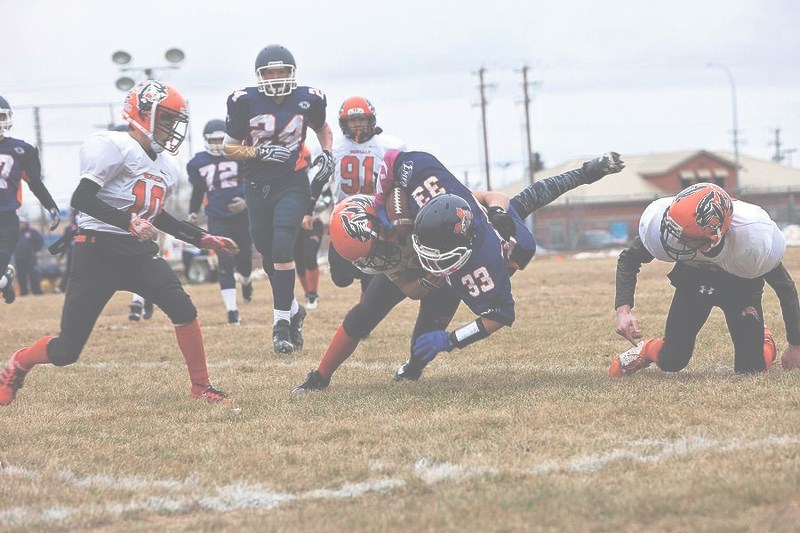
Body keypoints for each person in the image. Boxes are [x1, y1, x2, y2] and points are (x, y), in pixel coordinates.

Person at [292, 151, 624, 391]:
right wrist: (384, 202)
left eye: (374, 252)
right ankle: (320, 375)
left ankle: (412, 368)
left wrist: (452, 339)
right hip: (426, 258)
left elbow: (500, 314)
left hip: (457, 260)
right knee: (364, 313)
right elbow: (394, 161)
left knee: (422, 344)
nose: (373, 261)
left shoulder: (479, 260)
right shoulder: (410, 201)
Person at [0, 80, 239, 406]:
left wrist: (202, 237)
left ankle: (201, 387)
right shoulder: (113, 145)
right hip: (96, 249)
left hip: (137, 251)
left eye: (173, 120)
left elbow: (158, 215)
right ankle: (19, 362)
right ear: (141, 114)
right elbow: (81, 198)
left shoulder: (166, 166)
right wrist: (128, 221)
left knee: (183, 308)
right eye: (166, 118)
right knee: (67, 350)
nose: (171, 128)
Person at [609, 182, 800, 376]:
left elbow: (785, 287)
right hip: (695, 281)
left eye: (688, 239)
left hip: (740, 286)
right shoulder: (677, 224)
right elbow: (629, 258)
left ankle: (764, 341)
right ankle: (647, 349)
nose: (678, 242)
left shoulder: (753, 239)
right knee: (672, 360)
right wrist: (623, 310)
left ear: (716, 235)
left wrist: (796, 345)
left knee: (751, 370)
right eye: (677, 234)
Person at [223, 43, 333, 354]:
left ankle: (280, 325)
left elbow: (323, 128)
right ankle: (294, 310)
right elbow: (228, 147)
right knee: (269, 255)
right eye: (269, 72)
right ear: (259, 75)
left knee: (284, 245)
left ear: (292, 73)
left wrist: (327, 154)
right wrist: (257, 151)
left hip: (292, 181)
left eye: (281, 72)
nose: (275, 77)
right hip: (256, 184)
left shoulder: (309, 98)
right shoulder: (243, 101)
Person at [322, 96, 406, 301]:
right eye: (353, 120)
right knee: (341, 278)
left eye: (362, 119)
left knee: (372, 273)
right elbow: (320, 180)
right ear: (344, 123)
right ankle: (360, 272)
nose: (358, 125)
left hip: (375, 215)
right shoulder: (334, 147)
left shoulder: (389, 146)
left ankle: (364, 301)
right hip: (343, 216)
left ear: (372, 120)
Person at [187, 119, 254, 325]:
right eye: (213, 139)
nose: (217, 143)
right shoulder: (198, 162)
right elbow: (198, 190)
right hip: (217, 217)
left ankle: (246, 280)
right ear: (206, 140)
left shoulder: (241, 155)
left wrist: (246, 202)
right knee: (225, 262)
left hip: (242, 216)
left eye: (220, 139)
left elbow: (254, 182)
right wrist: (193, 211)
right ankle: (232, 310)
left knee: (244, 262)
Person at [0, 94, 61, 304]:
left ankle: (3, 277)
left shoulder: (22, 150)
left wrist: (51, 207)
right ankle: (4, 279)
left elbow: (34, 182)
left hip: (6, 218)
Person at [295, 184, 330, 309]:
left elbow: (327, 195)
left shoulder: (316, 172)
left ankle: (312, 295)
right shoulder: (289, 172)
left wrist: (322, 204)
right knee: (298, 260)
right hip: (294, 224)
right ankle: (307, 293)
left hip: (313, 223)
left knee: (309, 256)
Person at [14, 217, 44, 296]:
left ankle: (36, 291)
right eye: (19, 223)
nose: (20, 224)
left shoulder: (32, 232)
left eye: (22, 223)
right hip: (19, 258)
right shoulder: (15, 233)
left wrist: (35, 250)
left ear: (25, 223)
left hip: (30, 258)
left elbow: (40, 241)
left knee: (33, 275)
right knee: (21, 277)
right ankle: (24, 293)